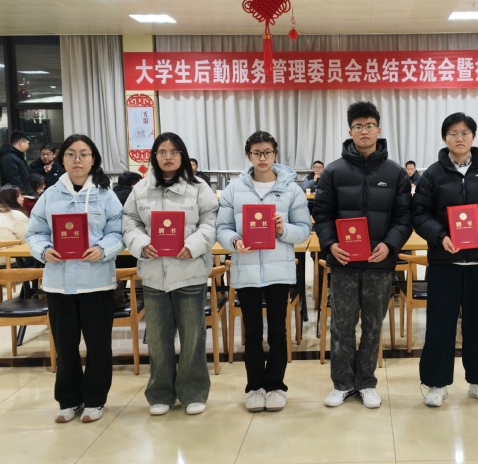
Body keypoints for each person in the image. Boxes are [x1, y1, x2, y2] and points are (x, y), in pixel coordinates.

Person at [313, 101, 412, 409]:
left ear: (378, 130)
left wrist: (390, 245)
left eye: (369, 125)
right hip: (344, 262)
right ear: (350, 131)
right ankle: (342, 383)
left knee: (372, 325)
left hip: (379, 263)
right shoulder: (333, 171)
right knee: (341, 326)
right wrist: (330, 244)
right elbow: (322, 214)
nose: (364, 131)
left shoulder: (395, 173)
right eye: (358, 126)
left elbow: (404, 217)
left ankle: (367, 382)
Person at [412, 113, 478, 408]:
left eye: (465, 132)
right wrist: (439, 236)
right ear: (445, 138)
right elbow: (420, 213)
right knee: (439, 326)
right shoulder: (433, 174)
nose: (460, 138)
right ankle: (436, 384)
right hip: (444, 263)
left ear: (473, 137)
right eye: (454, 133)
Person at [25, 134, 124, 424]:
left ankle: (94, 399)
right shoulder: (50, 195)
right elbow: (34, 232)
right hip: (59, 283)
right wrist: (44, 250)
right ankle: (68, 400)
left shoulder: (106, 195)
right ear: (62, 159)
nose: (77, 160)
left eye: (83, 154)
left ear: (93, 159)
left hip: (97, 282)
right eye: (71, 154)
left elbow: (118, 232)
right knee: (65, 346)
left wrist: (103, 249)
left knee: (98, 345)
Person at [123, 133, 219, 417]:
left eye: (174, 152)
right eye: (162, 152)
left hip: (190, 272)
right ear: (154, 156)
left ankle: (193, 392)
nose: (168, 157)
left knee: (193, 337)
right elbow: (129, 222)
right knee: (158, 338)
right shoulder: (141, 189)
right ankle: (160, 393)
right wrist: (142, 244)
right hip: (154, 275)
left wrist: (194, 245)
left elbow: (211, 222)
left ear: (182, 156)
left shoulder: (198, 187)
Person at [216, 131, 311, 413]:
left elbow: (304, 230)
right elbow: (222, 228)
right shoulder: (234, 189)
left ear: (275, 154)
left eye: (267, 152)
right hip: (246, 270)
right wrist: (235, 241)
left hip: (279, 270)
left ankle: (276, 385)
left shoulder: (291, 189)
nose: (262, 158)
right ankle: (254, 387)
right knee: (253, 332)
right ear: (249, 155)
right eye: (256, 153)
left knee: (278, 331)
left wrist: (283, 230)